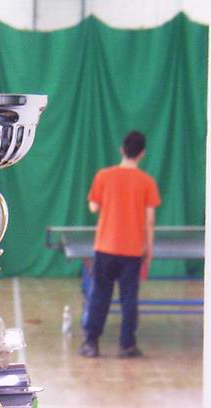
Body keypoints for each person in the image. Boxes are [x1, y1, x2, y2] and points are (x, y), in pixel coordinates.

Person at [79, 131, 161, 358]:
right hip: (132, 251)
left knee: (99, 296)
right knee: (129, 299)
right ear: (142, 153)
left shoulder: (103, 176)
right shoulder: (147, 182)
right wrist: (149, 249)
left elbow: (94, 207)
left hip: (105, 248)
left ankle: (91, 343)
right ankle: (127, 345)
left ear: (122, 150)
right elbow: (150, 221)